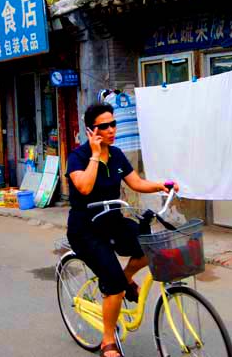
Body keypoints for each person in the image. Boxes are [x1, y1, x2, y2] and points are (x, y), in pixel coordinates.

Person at [66, 103, 178, 357]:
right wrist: (95, 155)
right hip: (86, 228)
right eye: (103, 126)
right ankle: (108, 340)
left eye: (112, 124)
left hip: (112, 220)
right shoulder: (78, 157)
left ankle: (126, 278)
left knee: (151, 247)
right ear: (90, 130)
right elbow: (83, 187)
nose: (110, 129)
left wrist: (162, 185)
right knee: (113, 285)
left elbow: (136, 182)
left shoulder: (116, 154)